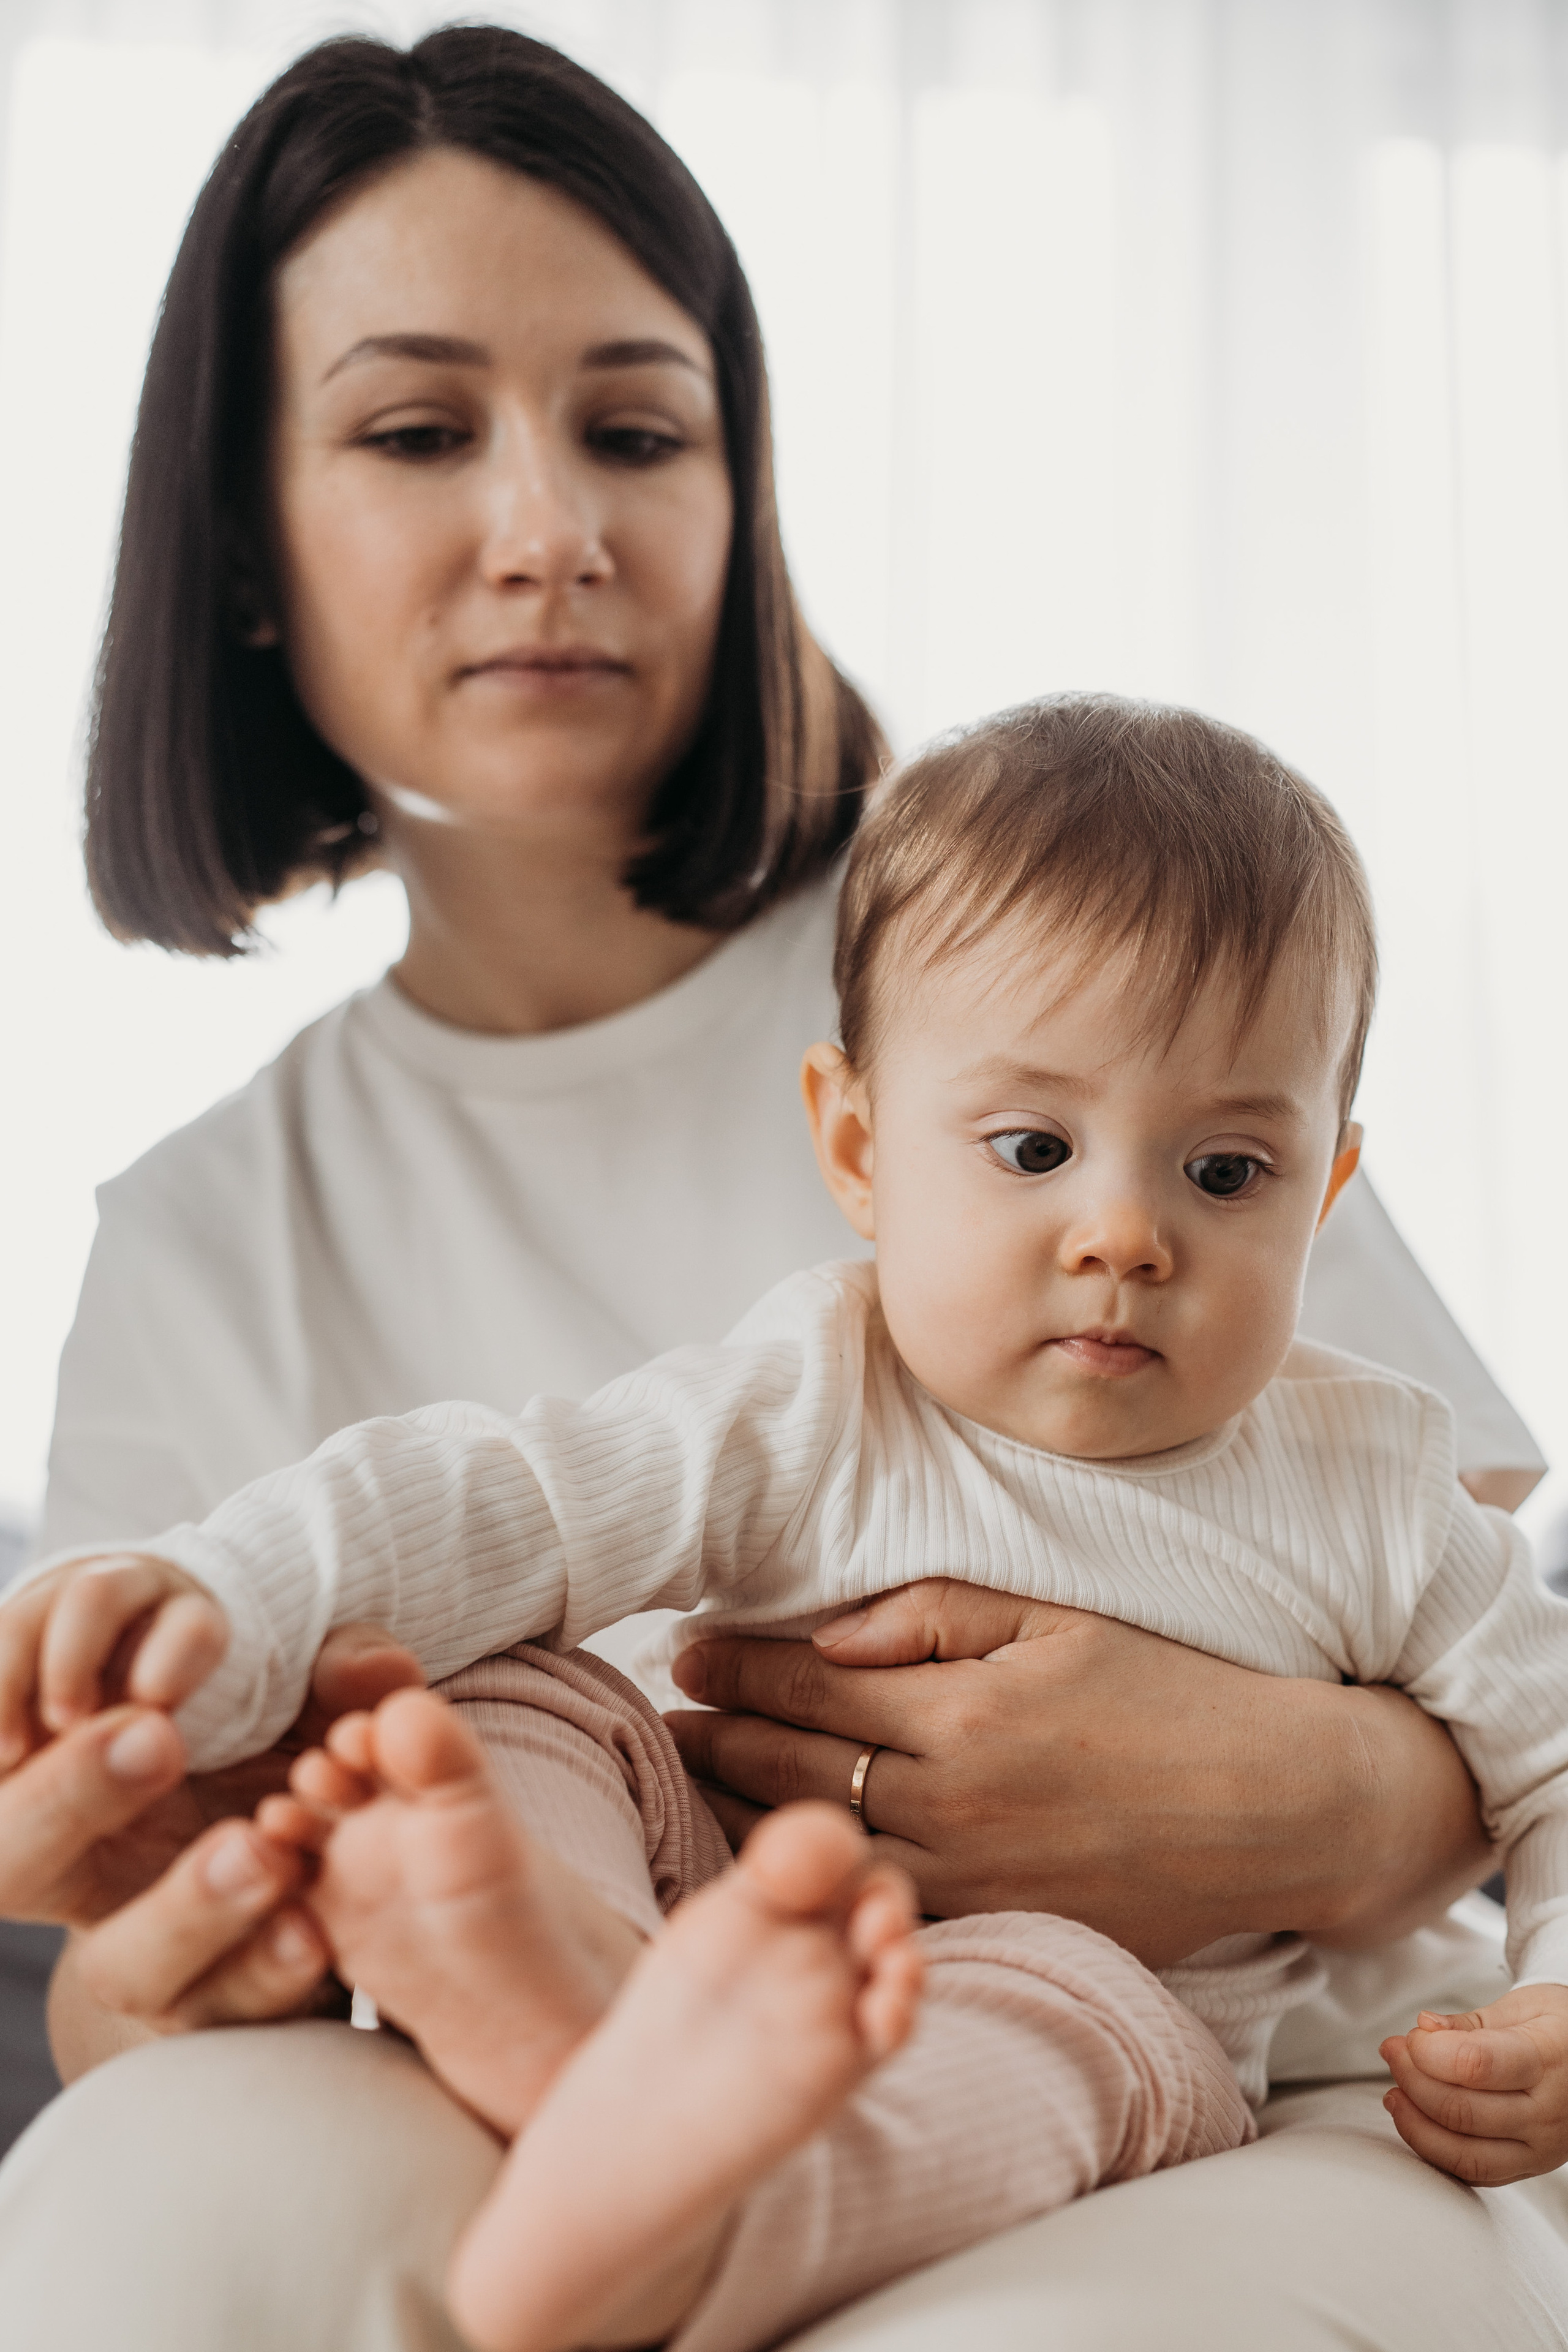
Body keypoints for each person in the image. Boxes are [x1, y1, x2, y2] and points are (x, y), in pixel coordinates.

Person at [0, 26, 1559, 2352]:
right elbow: (167, 1884)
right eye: (419, 430)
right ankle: (599, 2023)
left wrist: (1331, 1808)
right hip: (566, 1963)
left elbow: (1480, 1623)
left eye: (640, 429)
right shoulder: (218, 1229)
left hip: (1163, 2046)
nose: (556, 531)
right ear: (242, 544)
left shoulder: (1082, 971)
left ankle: (715, 2136)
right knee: (181, 2152)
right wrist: (158, 1933)